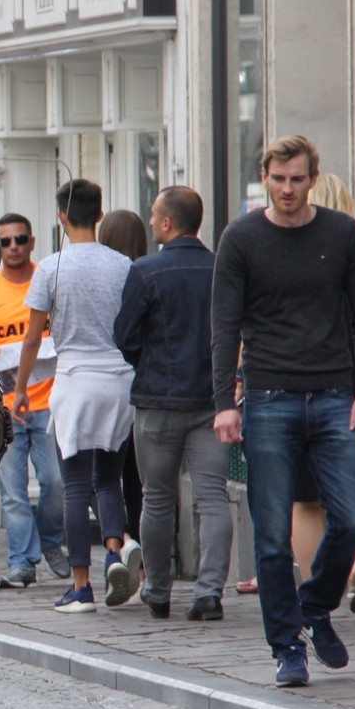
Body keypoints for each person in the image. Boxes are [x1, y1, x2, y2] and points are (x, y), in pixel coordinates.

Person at [212, 135, 355, 688]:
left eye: (297, 179)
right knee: (271, 535)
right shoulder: (241, 238)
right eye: (278, 179)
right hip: (268, 398)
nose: (287, 189)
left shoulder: (341, 233)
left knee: (352, 518)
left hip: (335, 396)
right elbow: (224, 328)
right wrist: (223, 404)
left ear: (313, 178)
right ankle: (287, 646)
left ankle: (313, 605)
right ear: (265, 177)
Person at [263, 174, 355, 613]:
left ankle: (317, 596)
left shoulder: (281, 255)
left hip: (300, 385)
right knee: (347, 489)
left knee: (306, 503)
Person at [13, 179, 135, 612]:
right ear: (100, 215)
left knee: (76, 483)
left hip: (75, 377)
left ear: (61, 217)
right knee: (109, 478)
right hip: (120, 378)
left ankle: (81, 586)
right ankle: (116, 554)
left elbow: (31, 338)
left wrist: (21, 390)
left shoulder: (51, 268)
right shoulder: (124, 266)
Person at [113, 187, 231, 621]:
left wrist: (150, 363)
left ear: (167, 224)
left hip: (158, 401)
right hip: (212, 402)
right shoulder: (222, 267)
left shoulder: (145, 271)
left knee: (157, 499)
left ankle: (158, 591)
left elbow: (123, 336)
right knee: (212, 497)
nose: (148, 222)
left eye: (153, 215)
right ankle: (209, 592)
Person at [0, 213, 65, 589]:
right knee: (12, 491)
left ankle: (53, 544)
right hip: (5, 404)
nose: (13, 248)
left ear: (32, 241)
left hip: (51, 400)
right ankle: (21, 561)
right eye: (5, 242)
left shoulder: (48, 279)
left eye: (20, 240)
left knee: (55, 483)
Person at [96, 209, 148, 587]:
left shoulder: (102, 277)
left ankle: (121, 543)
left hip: (103, 382)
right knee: (139, 481)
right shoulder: (144, 272)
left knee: (104, 477)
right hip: (143, 386)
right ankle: (144, 557)